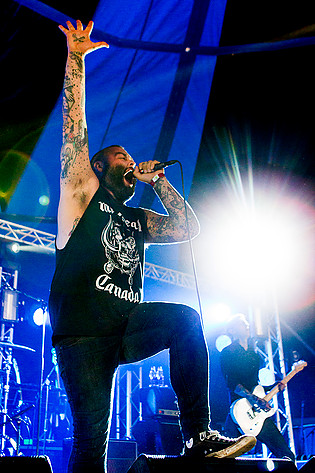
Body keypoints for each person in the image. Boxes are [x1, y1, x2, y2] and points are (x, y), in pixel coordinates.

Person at [48, 20, 256, 472]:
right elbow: (73, 133)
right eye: (119, 157)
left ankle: (198, 435)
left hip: (125, 325)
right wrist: (76, 59)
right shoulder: (81, 196)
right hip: (82, 334)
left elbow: (187, 227)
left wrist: (158, 181)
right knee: (90, 444)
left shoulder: (135, 217)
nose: (128, 161)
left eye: (129, 157)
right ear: (98, 167)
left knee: (184, 319)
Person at [220, 313, 295, 461]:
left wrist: (274, 387)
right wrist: (254, 399)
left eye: (246, 323)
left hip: (256, 413)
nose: (247, 325)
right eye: (242, 323)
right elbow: (232, 384)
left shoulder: (254, 355)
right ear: (232, 330)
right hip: (238, 411)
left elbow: (256, 385)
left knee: (287, 455)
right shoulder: (228, 352)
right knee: (225, 459)